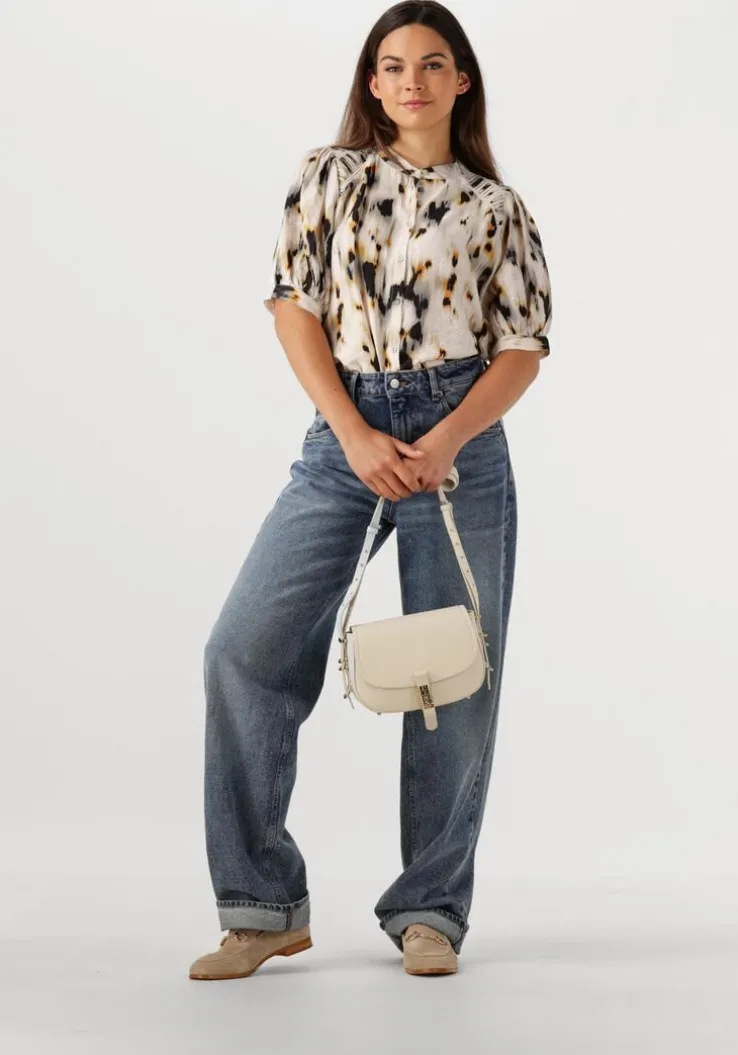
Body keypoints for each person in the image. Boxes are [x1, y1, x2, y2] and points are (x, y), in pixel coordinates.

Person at [189, 0, 552, 981]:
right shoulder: (329, 177)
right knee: (243, 647)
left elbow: (522, 348)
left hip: (460, 440)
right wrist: (353, 434)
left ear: (461, 80)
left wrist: (445, 438)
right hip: (343, 429)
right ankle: (262, 905)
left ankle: (430, 909)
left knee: (456, 680)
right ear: (372, 82)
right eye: (392, 65)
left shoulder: (497, 209)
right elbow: (292, 309)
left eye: (432, 64)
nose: (411, 81)